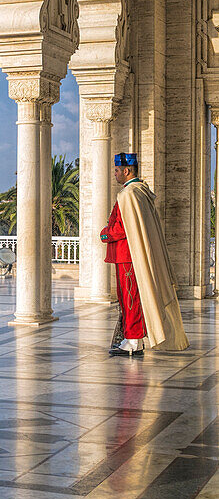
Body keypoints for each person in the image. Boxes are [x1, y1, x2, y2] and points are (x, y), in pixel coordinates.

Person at [101, 153, 189, 358]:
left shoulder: (128, 194)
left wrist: (105, 233)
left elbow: (123, 228)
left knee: (130, 298)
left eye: (116, 170)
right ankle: (132, 338)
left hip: (128, 255)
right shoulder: (141, 191)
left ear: (126, 171)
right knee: (130, 297)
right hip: (130, 254)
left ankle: (133, 341)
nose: (114, 174)